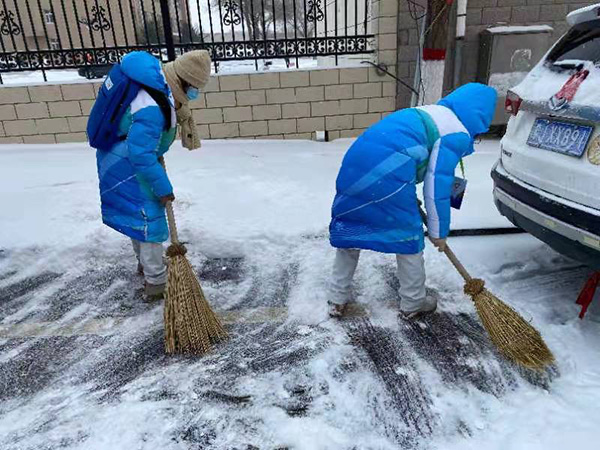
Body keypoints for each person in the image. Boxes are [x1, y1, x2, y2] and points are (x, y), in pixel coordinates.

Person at [328, 83, 497, 319]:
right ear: (479, 119)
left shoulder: (430, 113)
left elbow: (405, 151)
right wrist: (438, 232)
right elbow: (437, 186)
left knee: (351, 231)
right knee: (408, 239)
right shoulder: (454, 132)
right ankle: (413, 302)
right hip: (387, 176)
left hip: (353, 168)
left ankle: (336, 299)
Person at [94, 50, 211, 300]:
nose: (195, 93)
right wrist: (163, 188)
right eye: (194, 88)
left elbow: (142, 144)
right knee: (150, 223)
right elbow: (140, 153)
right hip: (128, 165)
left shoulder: (160, 85)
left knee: (138, 219)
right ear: (183, 81)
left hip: (120, 158)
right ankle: (156, 282)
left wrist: (154, 150)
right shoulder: (152, 107)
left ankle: (146, 265)